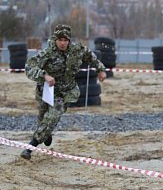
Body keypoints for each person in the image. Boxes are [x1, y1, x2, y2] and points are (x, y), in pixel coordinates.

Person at [21, 24, 107, 160]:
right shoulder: (47, 54)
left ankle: (29, 148)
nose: (62, 43)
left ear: (69, 40)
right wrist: (44, 75)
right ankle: (46, 134)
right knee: (43, 119)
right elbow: (29, 67)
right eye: (60, 39)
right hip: (47, 91)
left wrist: (101, 70)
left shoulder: (76, 50)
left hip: (65, 92)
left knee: (53, 116)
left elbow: (91, 57)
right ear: (55, 39)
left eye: (65, 40)